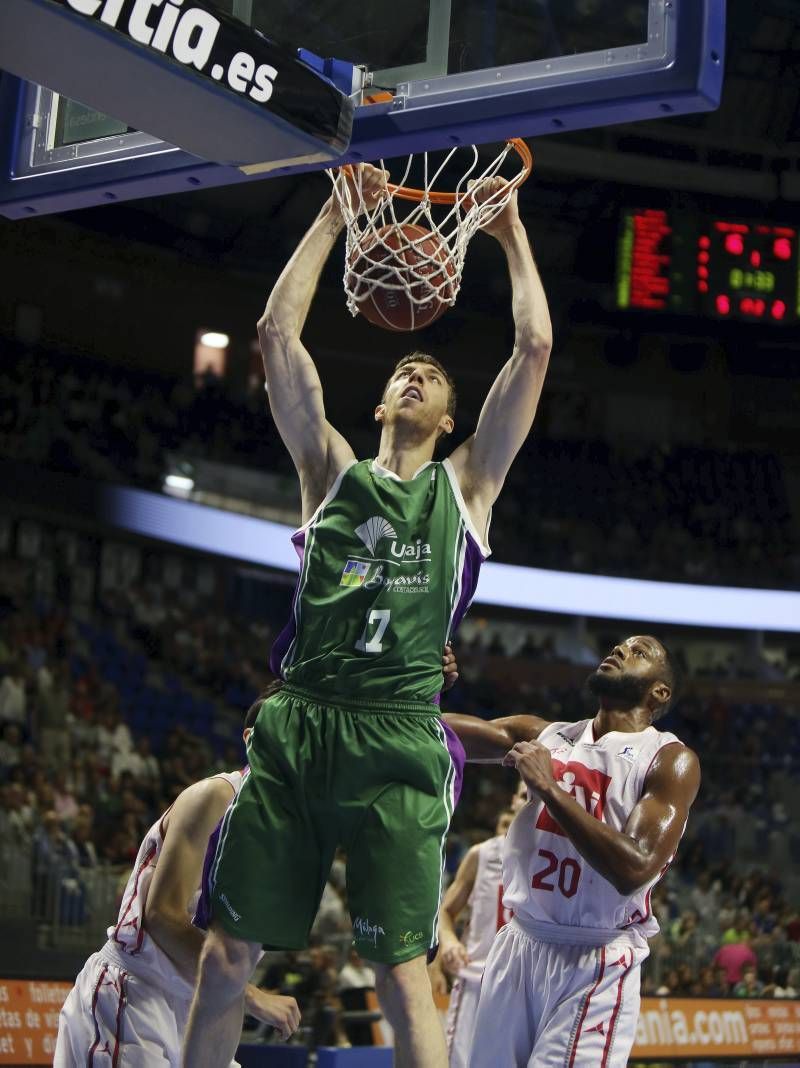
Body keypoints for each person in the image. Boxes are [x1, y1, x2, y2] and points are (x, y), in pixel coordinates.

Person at [184, 160, 553, 1068]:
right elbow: (274, 332)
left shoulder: (465, 489)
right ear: (385, 403)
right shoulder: (329, 473)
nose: (417, 371)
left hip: (399, 740)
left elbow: (533, 350)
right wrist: (332, 216)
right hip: (301, 726)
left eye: (432, 371)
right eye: (404, 369)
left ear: (451, 414)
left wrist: (509, 236)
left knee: (399, 970)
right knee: (231, 953)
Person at [445, 635, 700, 1068]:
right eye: (619, 646)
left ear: (660, 692)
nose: (620, 650)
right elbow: (431, 732)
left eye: (639, 652)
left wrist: (547, 788)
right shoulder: (545, 736)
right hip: (519, 946)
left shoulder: (668, 759)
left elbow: (634, 867)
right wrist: (422, 682)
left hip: (594, 958)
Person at [54, 701, 300, 1067]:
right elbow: (161, 915)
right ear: (252, 739)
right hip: (135, 997)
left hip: (199, 1008)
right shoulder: (216, 798)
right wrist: (249, 995)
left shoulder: (286, 835)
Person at [431, 790, 523, 1068]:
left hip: (528, 987)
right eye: (519, 793)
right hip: (477, 981)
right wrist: (447, 944)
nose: (523, 798)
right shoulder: (482, 854)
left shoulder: (557, 854)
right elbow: (445, 913)